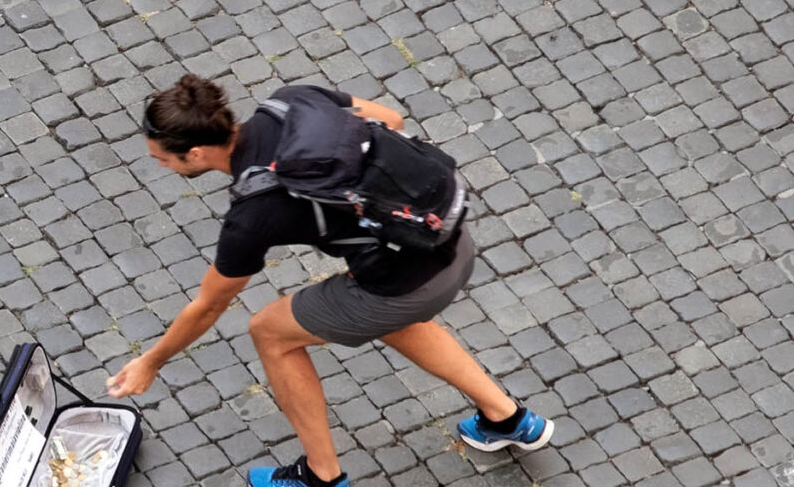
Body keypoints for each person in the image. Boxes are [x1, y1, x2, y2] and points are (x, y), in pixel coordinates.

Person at [105, 75, 558, 486]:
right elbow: (391, 120)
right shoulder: (291, 101)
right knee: (383, 317)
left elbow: (208, 306)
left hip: (405, 282)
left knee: (270, 331)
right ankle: (507, 419)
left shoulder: (252, 215)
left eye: (162, 159)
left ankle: (320, 478)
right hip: (449, 238)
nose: (161, 166)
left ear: (197, 153)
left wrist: (152, 361)